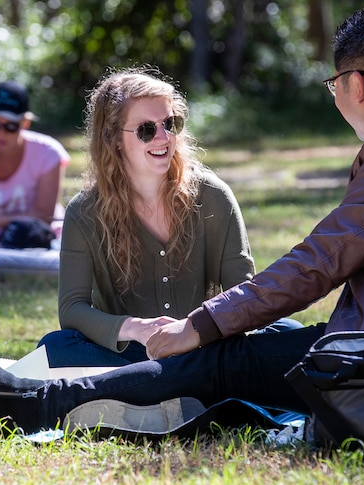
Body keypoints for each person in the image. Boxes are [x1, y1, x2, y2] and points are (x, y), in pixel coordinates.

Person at [0, 4, 364, 436]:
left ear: (357, 84)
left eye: (336, 83)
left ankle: (24, 404)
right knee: (231, 353)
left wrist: (198, 326)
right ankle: (31, 398)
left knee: (224, 356)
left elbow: (317, 263)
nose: (336, 96)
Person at [38, 67, 294, 368]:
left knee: (288, 334)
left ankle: (159, 396)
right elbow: (72, 309)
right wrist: (135, 328)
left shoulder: (213, 195)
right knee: (55, 346)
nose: (163, 138)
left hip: (209, 350)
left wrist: (195, 332)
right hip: (129, 358)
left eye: (170, 124)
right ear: (114, 138)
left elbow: (243, 293)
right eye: (146, 130)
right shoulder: (84, 212)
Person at [0, 81, 70, 246]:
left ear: (25, 123)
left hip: (41, 234)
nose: (0, 132)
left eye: (10, 126)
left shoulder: (48, 153)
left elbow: (43, 216)